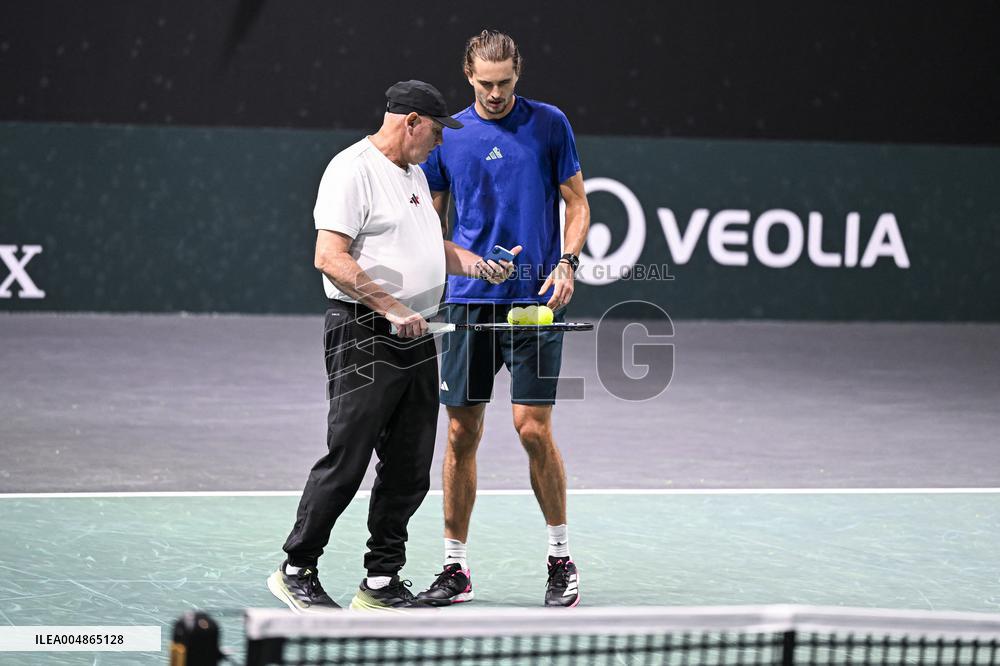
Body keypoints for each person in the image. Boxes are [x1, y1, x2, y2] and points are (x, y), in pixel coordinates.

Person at [267, 80, 518, 613]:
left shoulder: (413, 176)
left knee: (408, 467)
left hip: (418, 336)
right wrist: (392, 307)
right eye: (435, 133)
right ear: (411, 122)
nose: (439, 144)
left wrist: (476, 264)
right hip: (363, 332)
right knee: (349, 456)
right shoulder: (352, 169)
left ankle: (381, 580)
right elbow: (329, 256)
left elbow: (429, 246)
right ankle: (297, 568)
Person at [416, 30, 591, 608]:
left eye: (506, 83)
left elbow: (578, 201)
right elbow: (432, 223)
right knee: (462, 431)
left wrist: (567, 263)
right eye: (486, 84)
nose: (495, 94)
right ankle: (455, 569)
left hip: (535, 298)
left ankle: (561, 557)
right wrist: (429, 282)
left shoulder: (549, 124)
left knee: (532, 429)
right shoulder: (451, 136)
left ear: (519, 75)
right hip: (468, 299)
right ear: (469, 76)